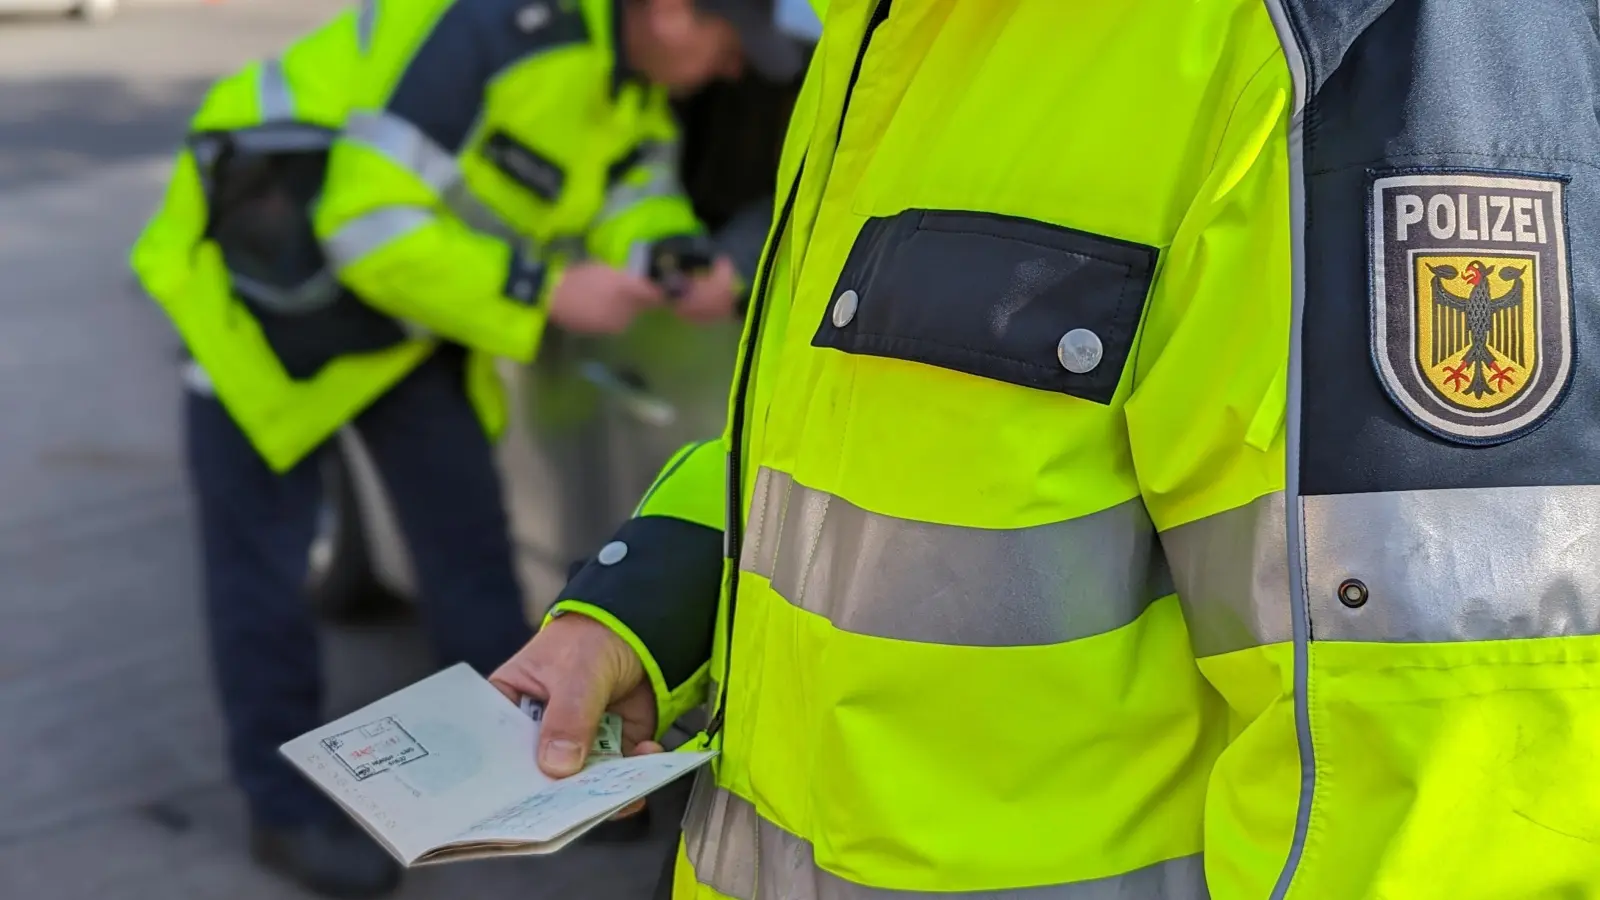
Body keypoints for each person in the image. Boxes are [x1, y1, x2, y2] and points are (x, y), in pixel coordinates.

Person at [490, 1, 1600, 898]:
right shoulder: (887, 28)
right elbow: (844, 441)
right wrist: (639, 607)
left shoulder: (1326, 40)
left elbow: (1436, 779)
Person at [130, 0, 803, 896]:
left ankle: (536, 774)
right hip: (261, 310)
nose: (731, 70)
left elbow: (630, 192)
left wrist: (675, 260)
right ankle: (283, 814)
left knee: (469, 552)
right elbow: (363, 222)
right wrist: (546, 291)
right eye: (729, 46)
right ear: (675, 13)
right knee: (262, 582)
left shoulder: (626, 82)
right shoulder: (497, 32)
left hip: (405, 326)